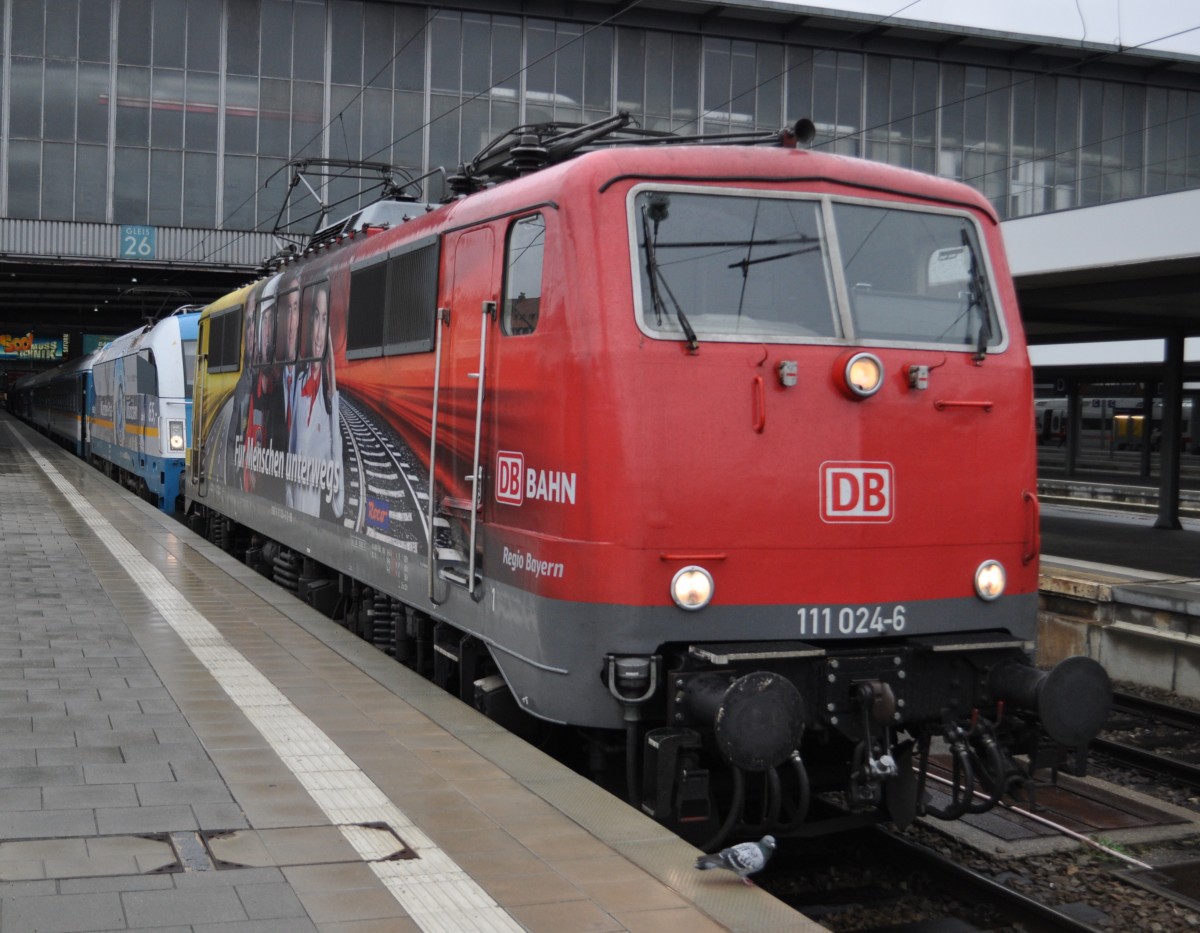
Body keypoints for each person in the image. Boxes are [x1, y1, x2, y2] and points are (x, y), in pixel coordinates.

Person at [288, 283, 343, 520]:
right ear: (309, 325)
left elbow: (339, 505)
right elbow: (289, 459)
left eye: (324, 320)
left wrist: (333, 390)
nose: (319, 334)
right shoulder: (298, 385)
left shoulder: (330, 408)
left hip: (310, 523)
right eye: (316, 318)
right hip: (290, 523)